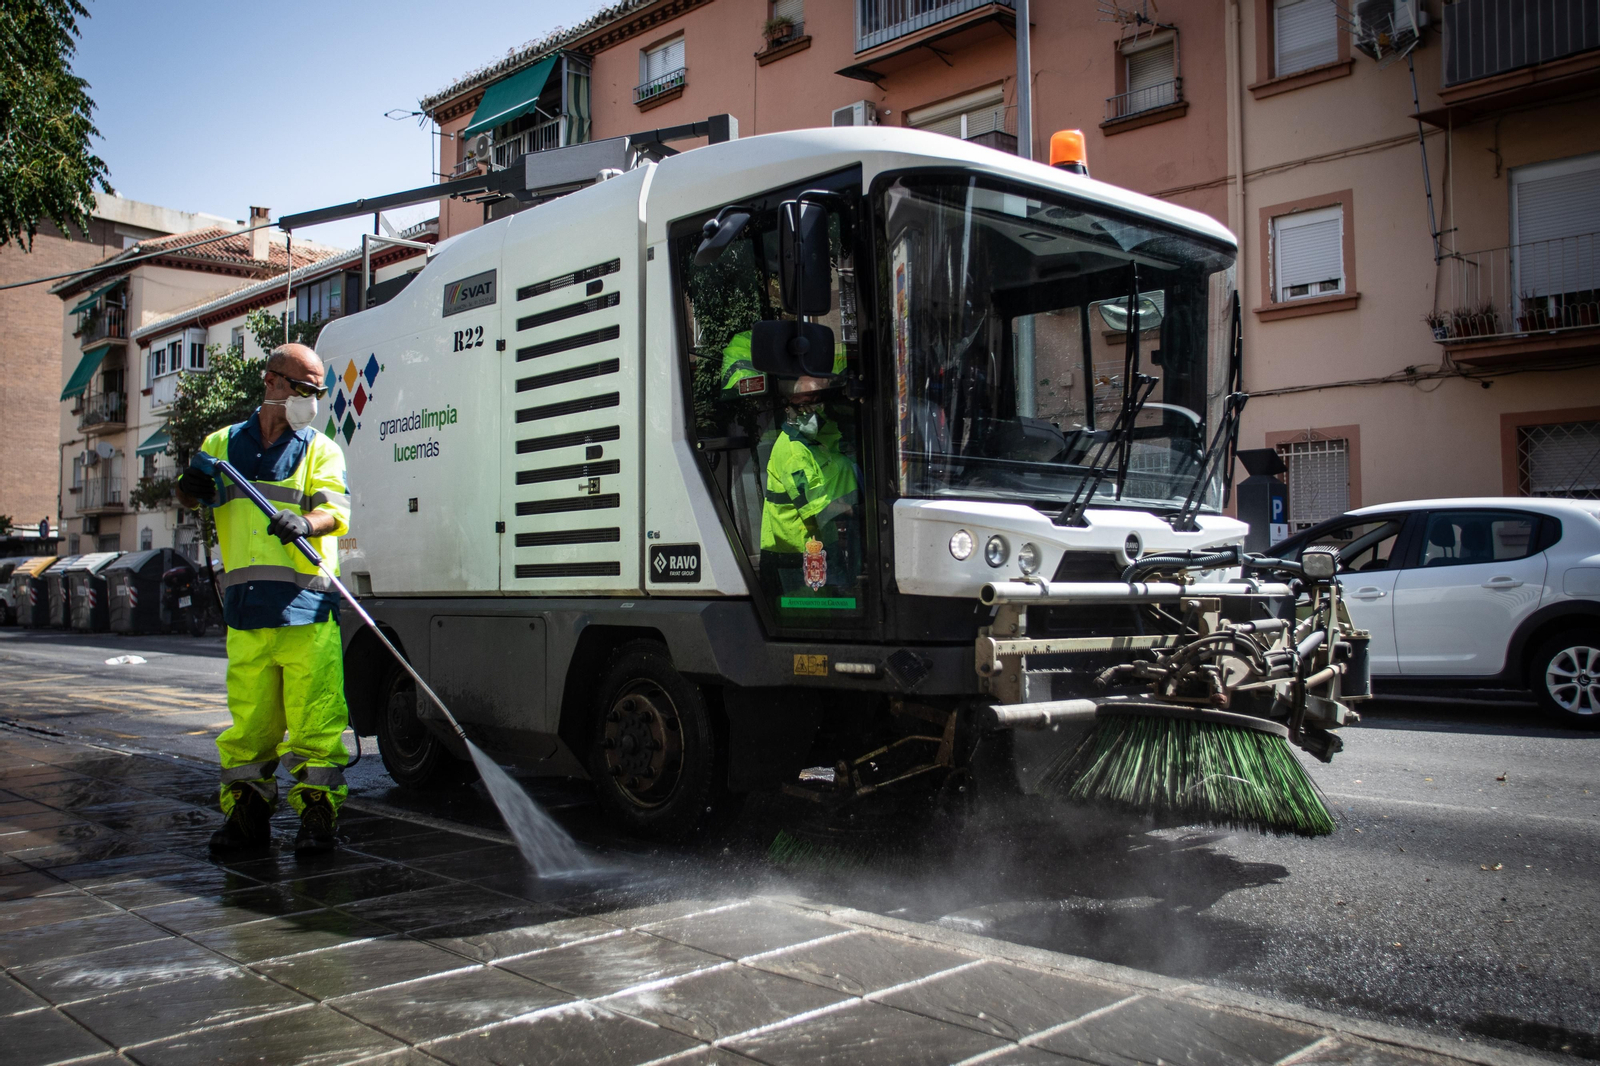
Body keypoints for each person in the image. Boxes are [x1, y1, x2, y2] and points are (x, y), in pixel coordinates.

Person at [175, 344, 351, 856]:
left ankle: (318, 818)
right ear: (272, 382)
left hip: (306, 612)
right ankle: (247, 815)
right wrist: (188, 487)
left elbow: (335, 511)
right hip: (247, 613)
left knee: (317, 725)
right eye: (304, 389)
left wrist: (305, 522)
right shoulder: (222, 444)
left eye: (318, 392)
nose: (312, 401)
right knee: (251, 726)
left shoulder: (320, 450)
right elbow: (193, 495)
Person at [759, 375, 859, 597]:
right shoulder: (794, 452)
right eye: (804, 406)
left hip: (819, 547)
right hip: (795, 556)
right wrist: (860, 512)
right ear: (790, 407)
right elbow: (819, 510)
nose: (811, 413)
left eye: (817, 404)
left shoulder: (816, 443)